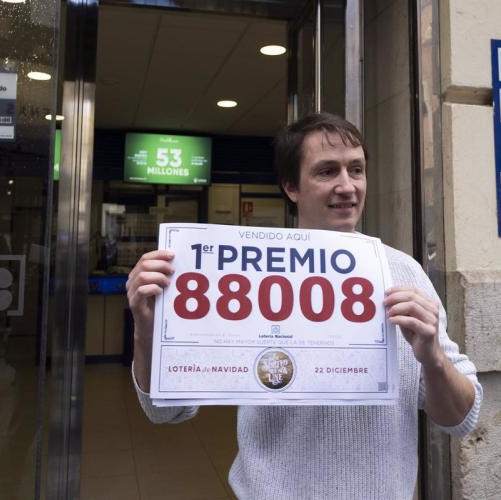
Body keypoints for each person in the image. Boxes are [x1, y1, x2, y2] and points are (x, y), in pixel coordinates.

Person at [126, 112, 482, 499]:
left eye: (356, 170)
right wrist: (146, 331)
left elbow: (461, 419)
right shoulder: (246, 275)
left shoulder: (404, 273)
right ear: (291, 187)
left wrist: (433, 359)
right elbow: (164, 411)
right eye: (327, 171)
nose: (347, 186)